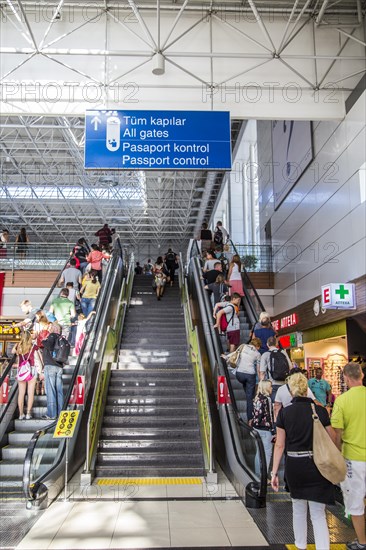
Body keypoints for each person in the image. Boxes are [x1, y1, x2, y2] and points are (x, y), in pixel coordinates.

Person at [271, 373, 335, 550]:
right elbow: (333, 439)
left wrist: (274, 472)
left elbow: (279, 445)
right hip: (318, 466)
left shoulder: (285, 413)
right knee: (318, 514)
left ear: (291, 391)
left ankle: (300, 546)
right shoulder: (320, 411)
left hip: (295, 466)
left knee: (298, 510)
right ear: (307, 389)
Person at [331, 363, 366, 550]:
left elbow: (337, 433)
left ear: (345, 377)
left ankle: (362, 542)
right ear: (361, 375)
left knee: (356, 502)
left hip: (353, 458)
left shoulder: (342, 401)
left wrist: (336, 455)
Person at [222, 337, 262, 422]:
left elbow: (235, 354)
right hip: (250, 375)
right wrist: (261, 381)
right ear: (257, 346)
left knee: (246, 386)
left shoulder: (243, 346)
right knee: (249, 398)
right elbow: (258, 370)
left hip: (239, 375)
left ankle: (248, 392)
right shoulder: (258, 354)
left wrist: (226, 357)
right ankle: (250, 420)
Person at [41, 324, 64, 420]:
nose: (50, 329)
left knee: (51, 390)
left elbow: (49, 347)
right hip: (59, 367)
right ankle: (61, 412)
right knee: (59, 391)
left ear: (55, 329)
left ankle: (51, 414)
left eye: (51, 327)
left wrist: (43, 340)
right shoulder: (61, 338)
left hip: (50, 366)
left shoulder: (52, 336)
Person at [252, 380, 275, 476]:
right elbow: (269, 415)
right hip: (265, 430)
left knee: (258, 453)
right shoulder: (267, 399)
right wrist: (273, 430)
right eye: (270, 386)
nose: (272, 388)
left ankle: (258, 475)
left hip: (256, 428)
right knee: (267, 454)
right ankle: (264, 476)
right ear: (266, 387)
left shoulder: (257, 398)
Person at [13, 330, 37, 420]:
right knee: (30, 393)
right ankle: (28, 414)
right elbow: (38, 356)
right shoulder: (34, 346)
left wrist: (19, 343)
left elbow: (12, 351)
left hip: (21, 371)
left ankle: (21, 414)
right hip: (31, 370)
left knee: (21, 393)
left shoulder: (19, 346)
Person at [260, 336, 292, 402]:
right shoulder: (283, 352)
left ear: (267, 344)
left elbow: (262, 372)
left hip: (272, 384)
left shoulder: (265, 355)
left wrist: (261, 386)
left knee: (275, 406)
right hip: (284, 383)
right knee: (284, 405)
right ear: (277, 344)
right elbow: (290, 367)